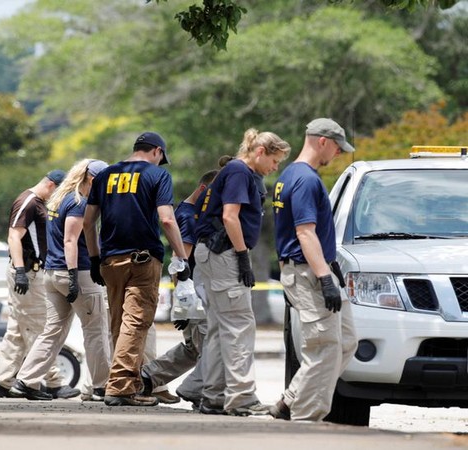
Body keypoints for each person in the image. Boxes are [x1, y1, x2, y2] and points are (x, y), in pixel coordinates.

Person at [83, 131, 190, 407]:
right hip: (142, 260)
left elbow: (88, 222)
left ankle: (129, 384)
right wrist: (182, 257)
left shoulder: (105, 175)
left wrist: (94, 259)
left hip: (109, 260)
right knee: (136, 323)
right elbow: (167, 220)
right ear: (157, 151)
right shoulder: (157, 176)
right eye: (161, 158)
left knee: (119, 324)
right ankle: (119, 388)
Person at [194, 128, 291, 416]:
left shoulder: (240, 172)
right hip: (224, 252)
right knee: (239, 325)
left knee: (218, 327)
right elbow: (229, 215)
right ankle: (241, 398)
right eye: (275, 161)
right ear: (260, 151)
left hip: (213, 252)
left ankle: (214, 395)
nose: (275, 168)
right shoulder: (239, 172)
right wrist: (241, 257)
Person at [270, 118, 358, 421]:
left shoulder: (289, 175)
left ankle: (290, 399)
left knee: (346, 342)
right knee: (324, 346)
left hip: (317, 268)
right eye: (336, 147)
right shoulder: (306, 179)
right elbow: (304, 233)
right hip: (309, 271)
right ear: (322, 141)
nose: (338, 153)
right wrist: (325, 279)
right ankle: (305, 422)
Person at [9, 159, 112, 401]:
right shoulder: (79, 202)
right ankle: (100, 386)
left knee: (52, 331)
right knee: (96, 330)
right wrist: (75, 275)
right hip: (75, 272)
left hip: (52, 274)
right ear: (91, 178)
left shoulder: (60, 198)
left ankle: (25, 381)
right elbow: (70, 240)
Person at [0, 169, 78, 400]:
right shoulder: (29, 201)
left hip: (30, 270)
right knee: (41, 327)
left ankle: (2, 381)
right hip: (27, 271)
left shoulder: (38, 202)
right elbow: (13, 236)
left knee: (17, 330)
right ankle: (52, 382)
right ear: (51, 185)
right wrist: (20, 270)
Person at [141, 169, 218, 408]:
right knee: (209, 346)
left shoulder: (192, 213)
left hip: (196, 293)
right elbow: (179, 262)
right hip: (194, 296)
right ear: (204, 190)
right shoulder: (188, 216)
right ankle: (197, 390)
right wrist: (183, 306)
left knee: (193, 349)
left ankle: (148, 377)